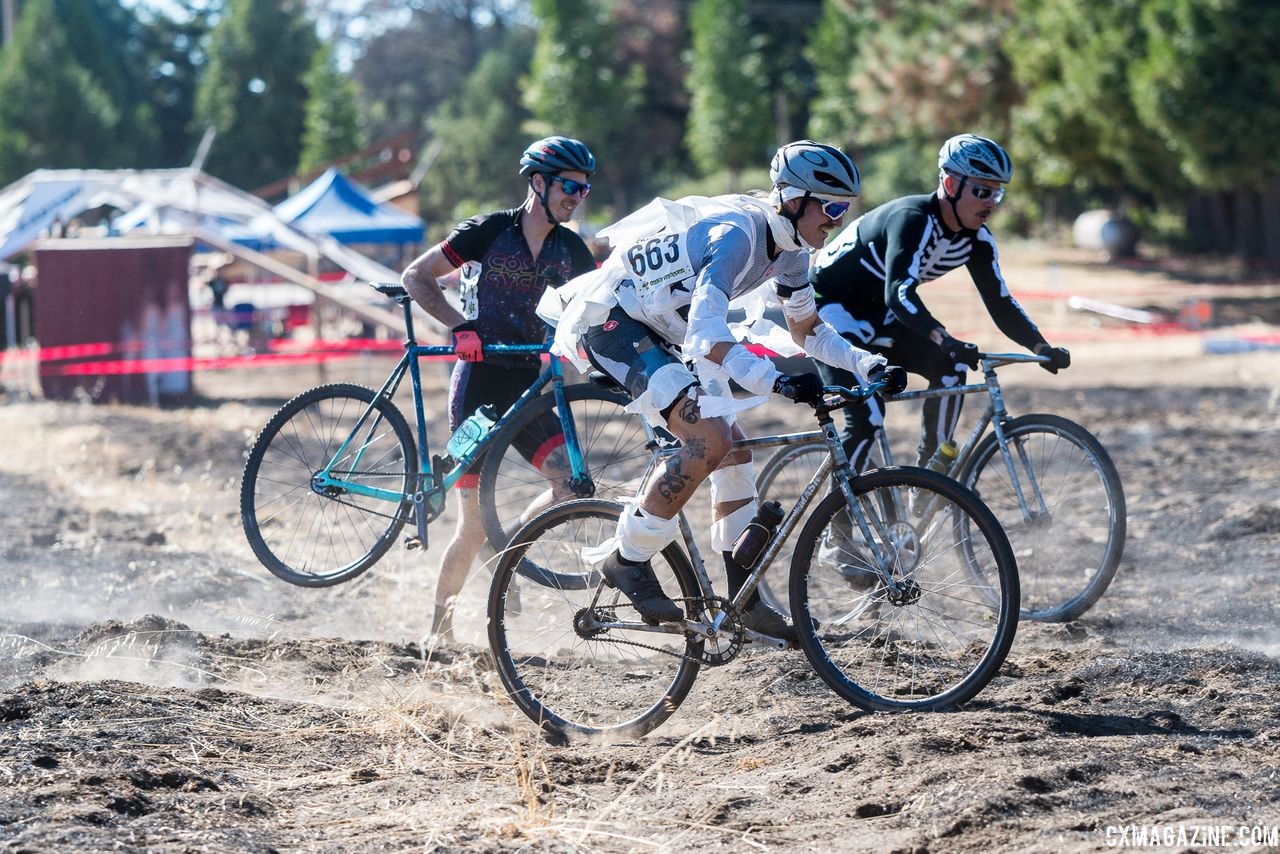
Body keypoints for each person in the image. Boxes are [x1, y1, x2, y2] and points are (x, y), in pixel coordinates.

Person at [539, 140, 905, 644]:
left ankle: (743, 599)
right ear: (795, 199)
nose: (839, 220)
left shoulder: (793, 250)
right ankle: (627, 560)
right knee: (707, 439)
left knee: (735, 449)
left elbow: (808, 331)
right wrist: (775, 380)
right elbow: (708, 338)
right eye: (833, 207)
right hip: (614, 323)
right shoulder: (737, 236)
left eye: (846, 209)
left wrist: (868, 363)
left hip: (668, 327)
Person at [400, 135, 599, 641]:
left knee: (570, 484)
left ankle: (507, 544)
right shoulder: (488, 231)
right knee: (471, 526)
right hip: (478, 387)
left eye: (584, 189)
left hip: (530, 387)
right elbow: (416, 276)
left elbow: (596, 309)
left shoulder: (572, 249)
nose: (578, 196)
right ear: (538, 183)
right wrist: (457, 326)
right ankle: (438, 631)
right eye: (569, 186)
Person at [809, 133, 1072, 473]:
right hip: (830, 306)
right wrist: (944, 337)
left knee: (951, 367)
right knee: (867, 416)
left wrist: (1040, 345)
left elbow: (1000, 301)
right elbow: (899, 293)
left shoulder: (977, 240)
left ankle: (931, 473)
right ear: (949, 183)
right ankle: (836, 521)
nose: (991, 202)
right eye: (982, 190)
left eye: (997, 192)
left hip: (879, 314)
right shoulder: (914, 219)